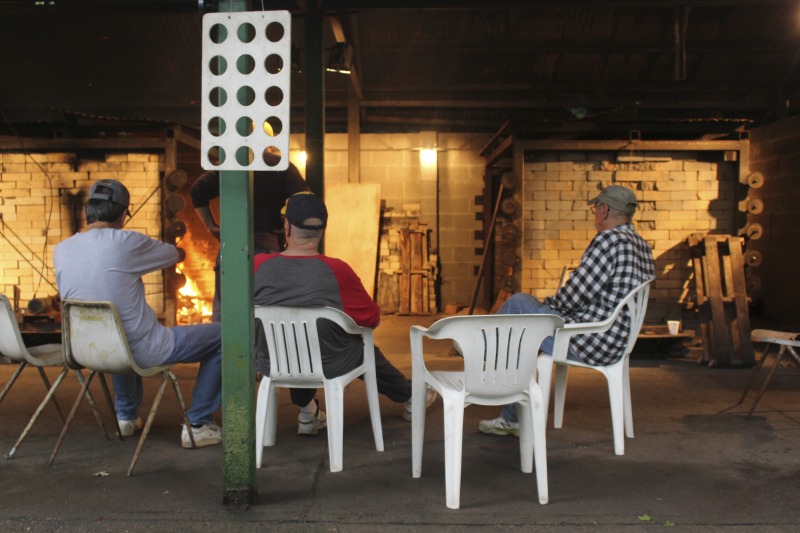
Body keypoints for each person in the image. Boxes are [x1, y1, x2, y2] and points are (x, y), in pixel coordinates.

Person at [54, 179, 223, 448]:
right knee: (226, 335)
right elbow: (173, 254)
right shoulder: (127, 241)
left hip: (87, 350)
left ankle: (127, 417)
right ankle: (200, 424)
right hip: (142, 350)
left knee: (118, 333)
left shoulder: (61, 250)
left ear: (89, 211)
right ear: (123, 215)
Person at [478, 184, 656, 437]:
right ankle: (509, 414)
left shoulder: (609, 241)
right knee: (523, 331)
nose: (595, 214)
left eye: (596, 209)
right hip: (618, 340)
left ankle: (480, 347)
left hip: (590, 340)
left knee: (520, 304)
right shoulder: (642, 245)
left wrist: (546, 307)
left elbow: (575, 294)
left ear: (604, 210)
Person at [253, 192, 436, 434]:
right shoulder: (337, 271)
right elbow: (371, 319)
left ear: (286, 227)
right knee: (359, 343)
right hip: (329, 363)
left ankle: (307, 411)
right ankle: (410, 395)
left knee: (293, 343)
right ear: (323, 230)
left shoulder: (257, 265)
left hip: (272, 360)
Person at [190, 152, 309, 322]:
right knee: (269, 313)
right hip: (267, 247)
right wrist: (288, 226)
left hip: (231, 249)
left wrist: (210, 226)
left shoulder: (230, 162)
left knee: (225, 314)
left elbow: (197, 191)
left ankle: (223, 347)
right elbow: (304, 199)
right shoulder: (278, 164)